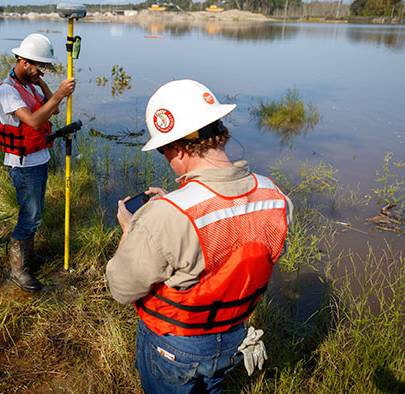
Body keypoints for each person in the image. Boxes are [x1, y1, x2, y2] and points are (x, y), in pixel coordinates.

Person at [106, 79, 293, 393]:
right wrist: (176, 204)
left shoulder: (166, 216)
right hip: (233, 336)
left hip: (175, 348)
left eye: (164, 150)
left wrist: (131, 230)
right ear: (219, 133)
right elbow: (232, 237)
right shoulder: (276, 197)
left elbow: (122, 289)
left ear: (177, 149)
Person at [0, 33, 75, 292]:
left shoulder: (29, 85)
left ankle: (29, 258)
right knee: (28, 217)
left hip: (38, 159)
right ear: (24, 62)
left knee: (35, 215)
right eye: (39, 68)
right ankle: (17, 271)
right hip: (23, 164)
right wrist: (60, 92)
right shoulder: (8, 91)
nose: (41, 72)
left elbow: (55, 110)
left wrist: (45, 88)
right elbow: (34, 121)